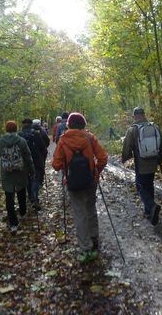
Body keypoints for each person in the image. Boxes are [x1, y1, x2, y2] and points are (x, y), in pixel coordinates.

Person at [52, 112, 108, 263]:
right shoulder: (90, 138)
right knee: (90, 207)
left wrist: (65, 166)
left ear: (69, 124)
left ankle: (85, 246)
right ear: (83, 124)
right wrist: (96, 170)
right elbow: (103, 158)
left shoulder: (63, 140)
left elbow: (56, 165)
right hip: (91, 180)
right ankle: (94, 237)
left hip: (73, 182)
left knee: (79, 213)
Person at [122, 107, 162, 225]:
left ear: (134, 116)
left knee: (140, 186)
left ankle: (151, 206)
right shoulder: (154, 127)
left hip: (141, 165)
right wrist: (159, 160)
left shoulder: (132, 129)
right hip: (153, 164)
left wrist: (124, 159)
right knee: (149, 185)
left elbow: (127, 148)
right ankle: (149, 212)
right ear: (144, 114)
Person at [0, 121, 35, 235]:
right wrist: (32, 170)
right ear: (16, 129)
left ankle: (13, 223)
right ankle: (22, 212)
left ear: (6, 129)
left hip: (6, 173)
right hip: (20, 171)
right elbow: (28, 156)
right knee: (21, 191)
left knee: (9, 197)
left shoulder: (1, 142)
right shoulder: (21, 141)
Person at [19, 118, 47, 210]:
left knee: (27, 180)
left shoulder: (19, 135)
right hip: (36, 161)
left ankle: (31, 198)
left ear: (22, 125)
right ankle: (34, 198)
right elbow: (43, 148)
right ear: (31, 124)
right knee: (35, 179)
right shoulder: (35, 134)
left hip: (23, 162)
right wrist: (43, 159)